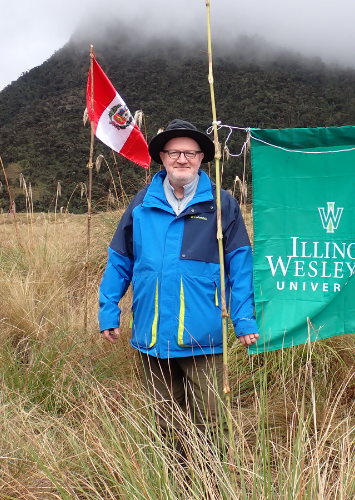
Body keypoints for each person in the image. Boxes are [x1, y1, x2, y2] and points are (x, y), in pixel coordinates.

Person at [98, 118, 259, 445]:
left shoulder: (221, 203)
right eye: (173, 152)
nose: (181, 159)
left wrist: (243, 319)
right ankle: (172, 483)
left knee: (210, 422)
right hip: (151, 333)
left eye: (190, 152)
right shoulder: (142, 203)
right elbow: (120, 260)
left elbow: (239, 263)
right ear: (162, 157)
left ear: (202, 158)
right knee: (164, 421)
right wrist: (108, 310)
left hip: (202, 335)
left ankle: (211, 486)